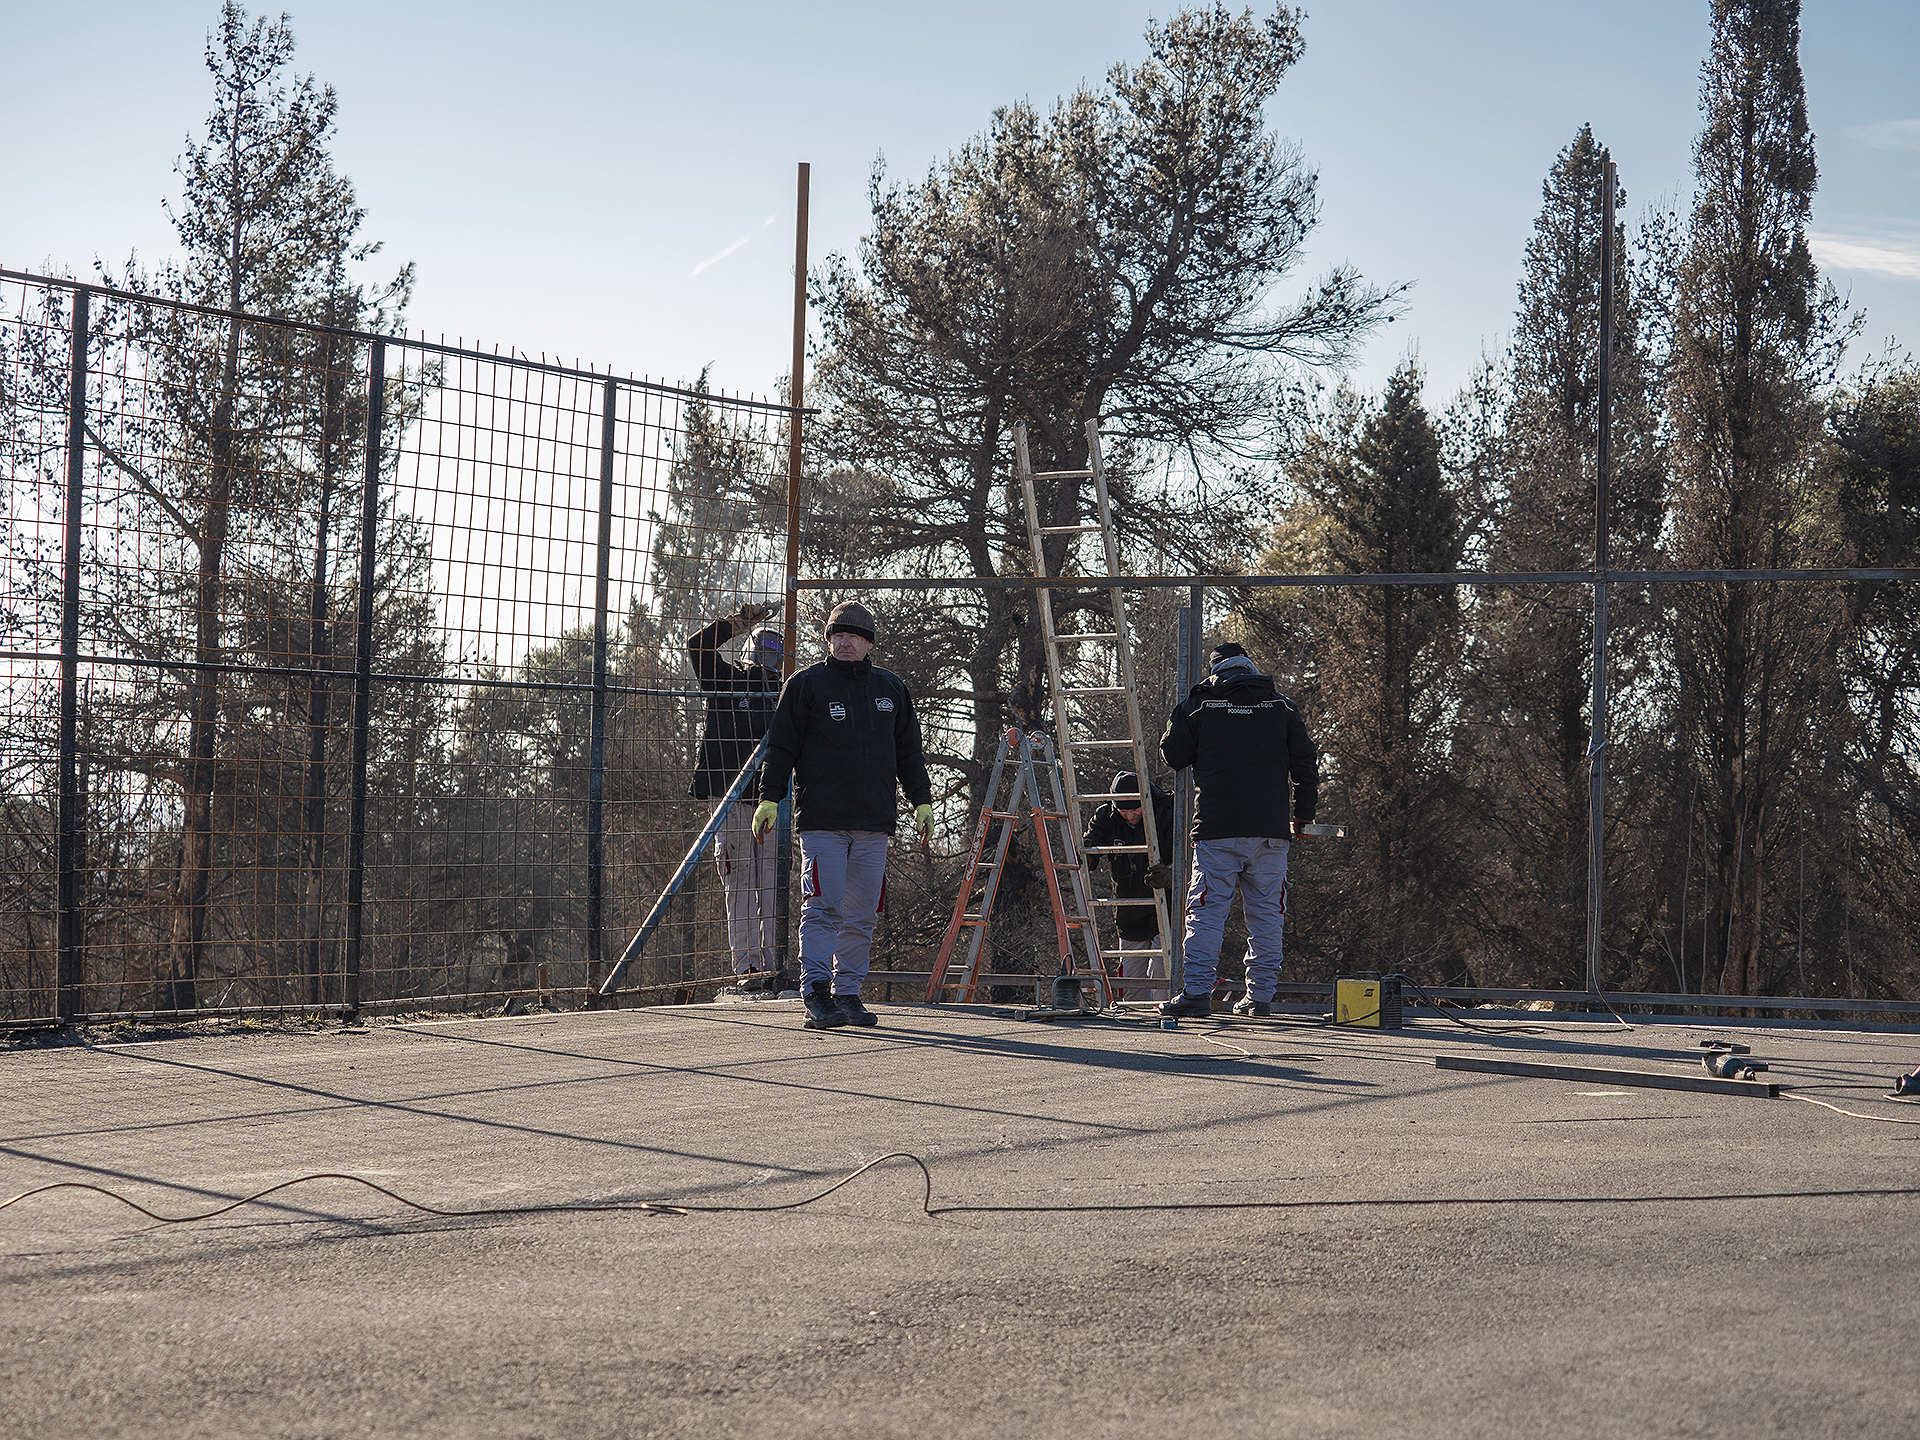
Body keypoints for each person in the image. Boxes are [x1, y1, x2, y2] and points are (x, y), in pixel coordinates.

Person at [752, 601, 933, 1030]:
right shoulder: (805, 685)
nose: (845, 642)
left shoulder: (891, 689)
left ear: (869, 642)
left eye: (854, 635)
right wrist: (768, 797)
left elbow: (909, 753)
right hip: (822, 822)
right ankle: (814, 990)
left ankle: (847, 991)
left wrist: (921, 801)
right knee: (822, 906)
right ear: (828, 639)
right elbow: (781, 748)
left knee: (862, 913)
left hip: (875, 823)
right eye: (838, 634)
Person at [1158, 641, 1319, 1019]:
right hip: (1270, 831)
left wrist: (1180, 712)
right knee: (1267, 916)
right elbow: (1305, 763)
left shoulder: (1199, 703)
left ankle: (1197, 993)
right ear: (1250, 668)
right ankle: (1260, 997)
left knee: (1207, 913)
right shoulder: (1281, 706)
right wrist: (1303, 816)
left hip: (1218, 829)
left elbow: (1171, 754)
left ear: (1216, 670)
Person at [687, 599, 785, 997]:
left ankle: (776, 967)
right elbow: (698, 646)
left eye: (777, 649)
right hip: (728, 798)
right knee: (740, 882)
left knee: (773, 883)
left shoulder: (787, 691)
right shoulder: (726, 679)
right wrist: (740, 622)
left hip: (773, 800)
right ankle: (748, 969)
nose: (768, 655)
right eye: (762, 646)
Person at [1081, 771, 1175, 1001]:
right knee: (1132, 981)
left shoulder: (1167, 812)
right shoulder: (1106, 816)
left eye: (1136, 810)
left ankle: (1165, 1018)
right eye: (1125, 812)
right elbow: (1092, 841)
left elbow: (1187, 856)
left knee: (1163, 971)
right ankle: (1139, 1028)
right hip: (1129, 911)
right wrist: (1087, 852)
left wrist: (1170, 875)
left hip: (1167, 908)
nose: (1131, 816)